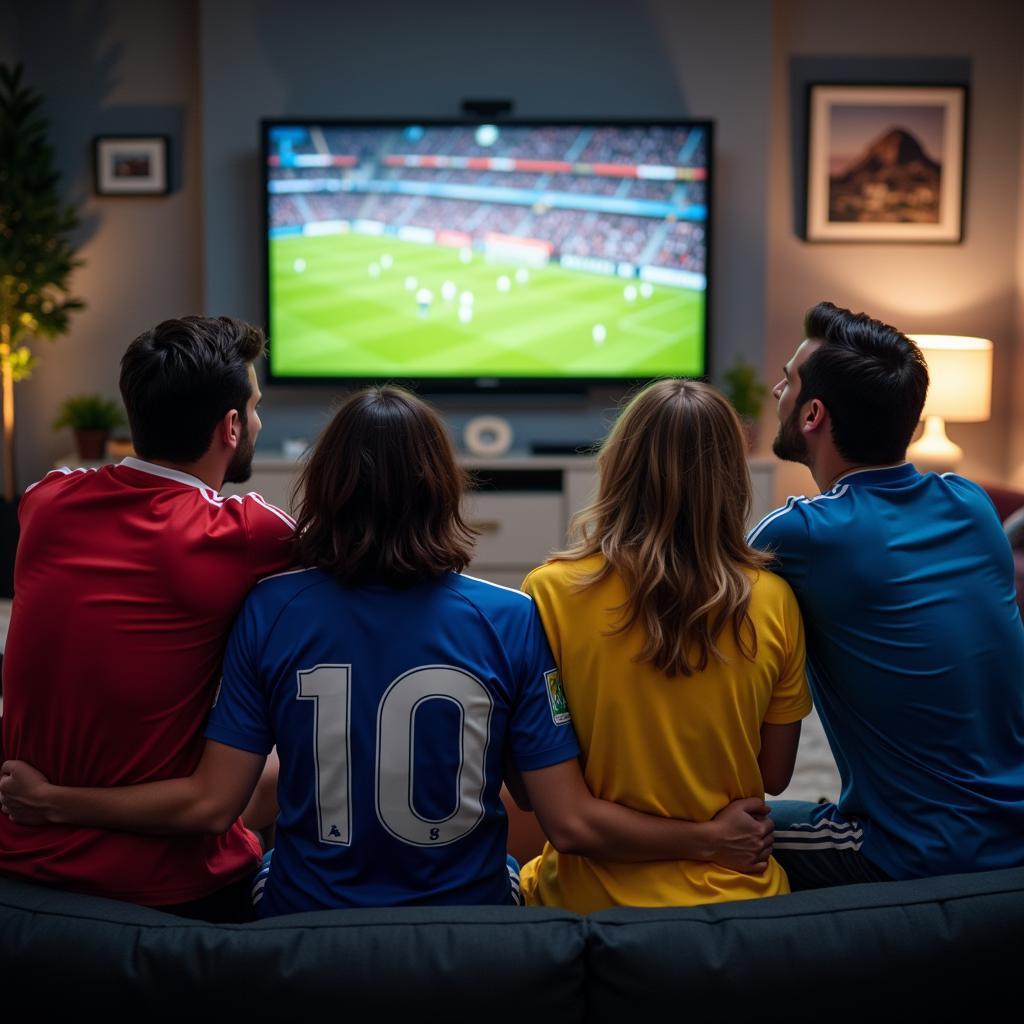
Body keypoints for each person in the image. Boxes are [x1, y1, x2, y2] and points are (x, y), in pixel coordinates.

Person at [1, 387, 775, 917]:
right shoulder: (512, 616)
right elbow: (555, 811)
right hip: (468, 914)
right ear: (445, 485)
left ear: (328, 486)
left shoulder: (269, 605)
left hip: (307, 910)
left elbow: (216, 800)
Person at [0, 316, 294, 919]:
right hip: (173, 884)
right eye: (256, 407)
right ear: (231, 426)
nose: (259, 421)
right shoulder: (241, 533)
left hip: (20, 854)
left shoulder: (44, 502)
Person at [749, 300, 1024, 890]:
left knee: (707, 830)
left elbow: (693, 583)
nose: (776, 389)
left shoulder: (801, 532)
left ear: (812, 415)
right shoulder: (972, 504)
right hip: (1012, 830)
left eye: (789, 380)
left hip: (913, 848)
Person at [518, 379, 811, 914]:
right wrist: (710, 838)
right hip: (741, 900)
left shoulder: (550, 592)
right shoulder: (776, 600)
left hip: (592, 908)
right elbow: (774, 774)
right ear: (731, 479)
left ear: (618, 466)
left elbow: (562, 818)